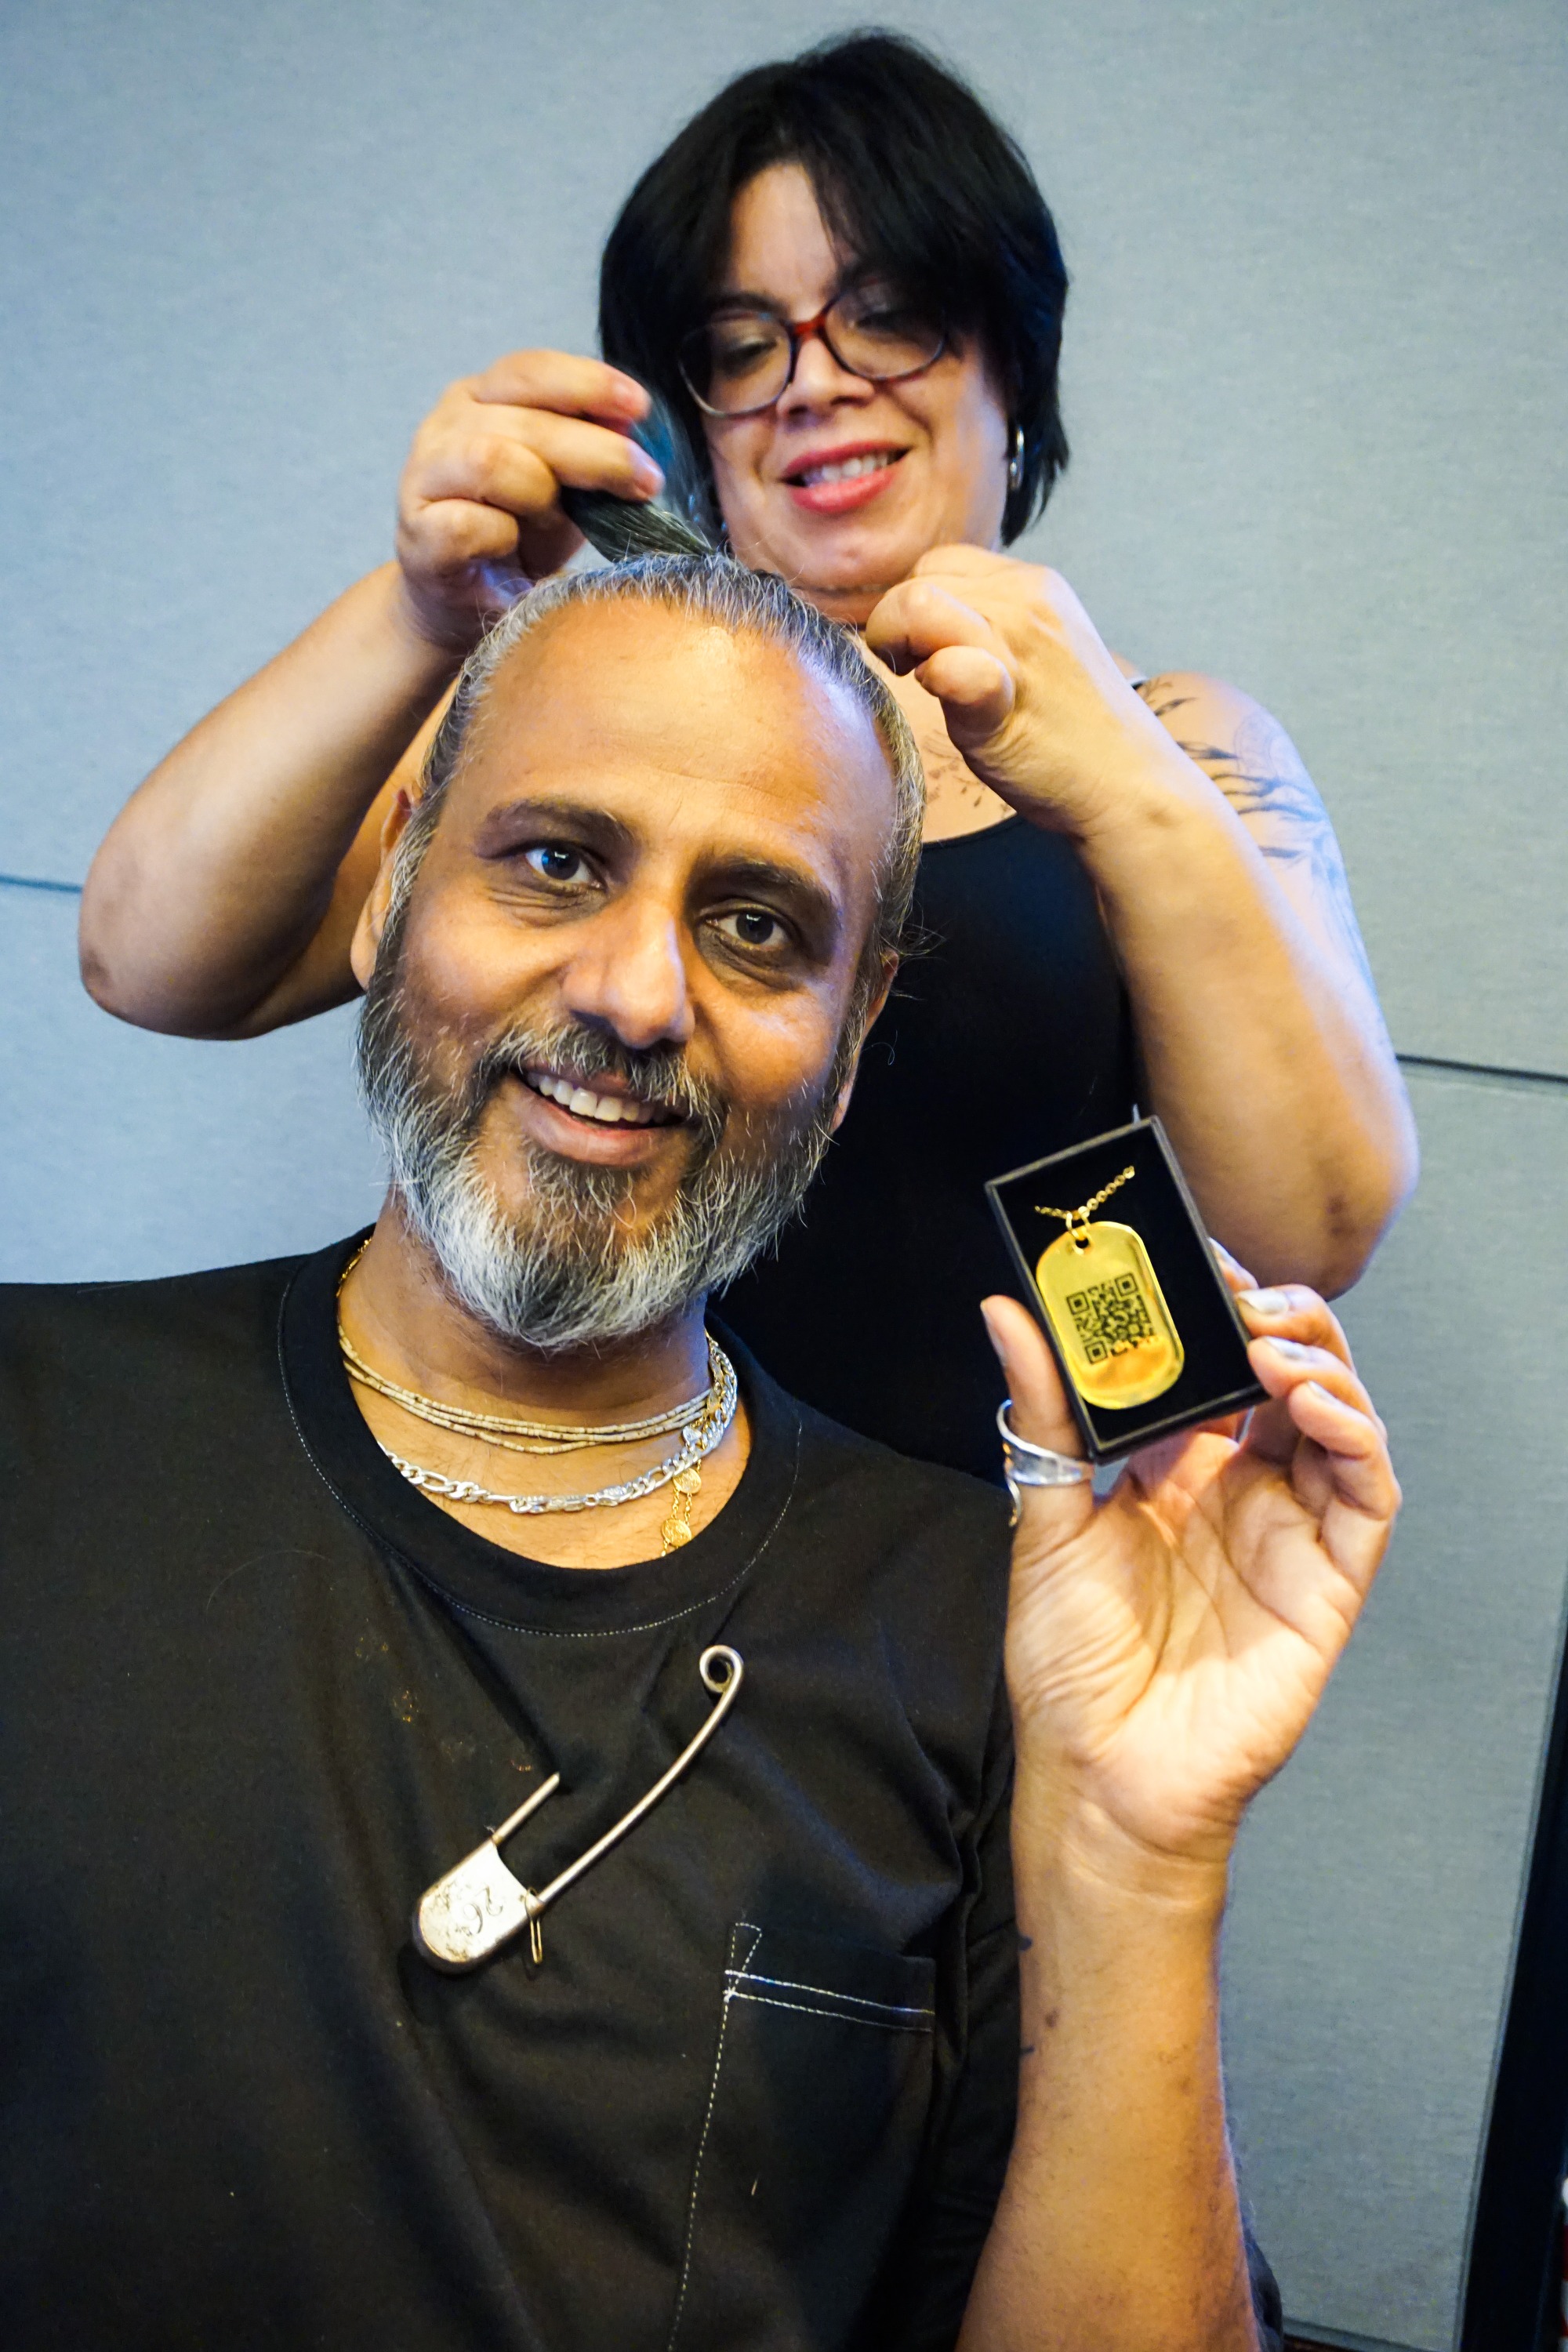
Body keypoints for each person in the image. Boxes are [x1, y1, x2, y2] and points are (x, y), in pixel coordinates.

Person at [5, 557, 1399, 2350]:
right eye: (558, 861)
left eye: (757, 926)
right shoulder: (41, 1430)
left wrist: (1140, 1853)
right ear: (394, 883)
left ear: (855, 1034)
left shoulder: (989, 1650)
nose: (636, 994)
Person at [78, 31, 1417, 1477]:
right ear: (688, 417)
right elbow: (150, 960)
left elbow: (1313, 1226)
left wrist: (1120, 781)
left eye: (890, 315)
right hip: (561, 1543)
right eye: (741, 344)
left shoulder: (1177, 747)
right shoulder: (561, 705)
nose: (814, 383)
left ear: (1012, 364)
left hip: (973, 1594)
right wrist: (428, 605)